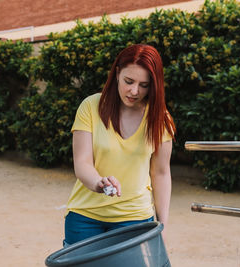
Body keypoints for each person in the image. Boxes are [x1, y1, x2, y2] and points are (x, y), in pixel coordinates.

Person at [64, 44, 176, 246]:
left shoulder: (160, 118)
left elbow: (161, 173)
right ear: (117, 74)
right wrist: (99, 183)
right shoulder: (90, 106)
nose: (134, 91)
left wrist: (163, 226)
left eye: (144, 85)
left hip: (135, 219)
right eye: (129, 81)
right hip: (85, 217)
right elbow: (82, 163)